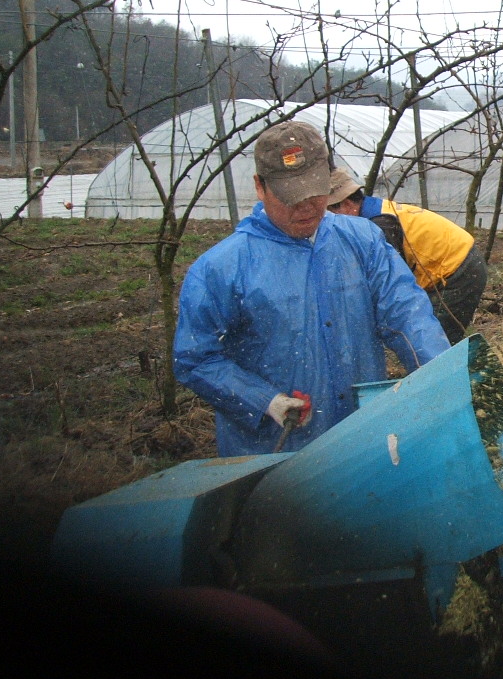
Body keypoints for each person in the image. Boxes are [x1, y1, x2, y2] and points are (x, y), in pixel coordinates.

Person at [173, 121, 451, 457]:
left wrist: (441, 381)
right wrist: (264, 401)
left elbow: (407, 315)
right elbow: (195, 359)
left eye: (316, 191)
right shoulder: (221, 268)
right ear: (260, 187)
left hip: (360, 433)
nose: (306, 206)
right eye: (292, 195)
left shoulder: (362, 240)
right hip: (277, 449)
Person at [326, 168, 489, 345]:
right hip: (454, 261)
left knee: (435, 340)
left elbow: (391, 281)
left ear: (348, 204)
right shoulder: (375, 210)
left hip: (458, 269)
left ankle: (448, 369)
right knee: (429, 335)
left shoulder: (379, 224)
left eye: (331, 212)